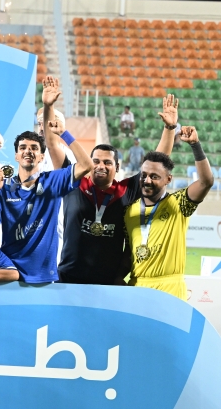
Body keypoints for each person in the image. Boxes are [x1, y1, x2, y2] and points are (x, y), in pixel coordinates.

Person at [0, 78, 92, 283]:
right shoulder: (4, 188)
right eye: (22, 148)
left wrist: (64, 133)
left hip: (43, 276)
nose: (28, 152)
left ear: (42, 156)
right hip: (9, 272)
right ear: (15, 156)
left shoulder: (52, 181)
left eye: (34, 148)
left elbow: (86, 165)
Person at [58, 95, 177, 285]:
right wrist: (53, 117)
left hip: (108, 282)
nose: (101, 166)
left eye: (107, 162)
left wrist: (170, 128)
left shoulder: (125, 190)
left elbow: (157, 163)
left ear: (117, 167)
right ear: (89, 164)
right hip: (68, 278)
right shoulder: (75, 183)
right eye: (96, 161)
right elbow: (52, 147)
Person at [126, 127, 214, 300]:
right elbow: (126, 253)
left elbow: (206, 182)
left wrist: (195, 145)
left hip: (170, 289)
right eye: (143, 175)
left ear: (168, 179)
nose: (147, 181)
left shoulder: (179, 203)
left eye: (154, 176)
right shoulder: (129, 210)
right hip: (136, 287)